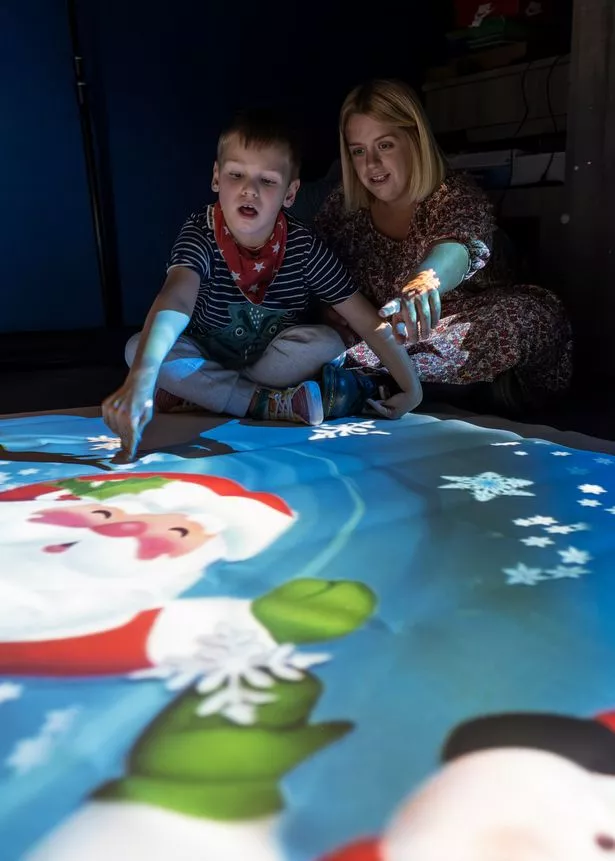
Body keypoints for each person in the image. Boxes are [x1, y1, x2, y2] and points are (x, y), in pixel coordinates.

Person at [102, 108, 422, 459]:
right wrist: (143, 379)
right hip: (205, 357)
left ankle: (201, 396)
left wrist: (412, 388)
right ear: (216, 177)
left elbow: (363, 317)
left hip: (270, 364)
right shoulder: (200, 233)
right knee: (138, 350)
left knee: (330, 343)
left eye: (267, 181)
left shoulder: (303, 246)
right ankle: (266, 404)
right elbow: (176, 299)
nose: (249, 190)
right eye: (236, 174)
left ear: (290, 193)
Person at [314, 78, 573, 414]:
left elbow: (457, 246)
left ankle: (367, 380)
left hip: (461, 330)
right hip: (383, 336)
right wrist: (328, 309)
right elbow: (312, 267)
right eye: (359, 151)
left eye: (385, 145)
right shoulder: (342, 209)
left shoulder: (452, 195)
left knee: (530, 315)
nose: (372, 164)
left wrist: (425, 282)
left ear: (414, 139)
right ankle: (367, 378)